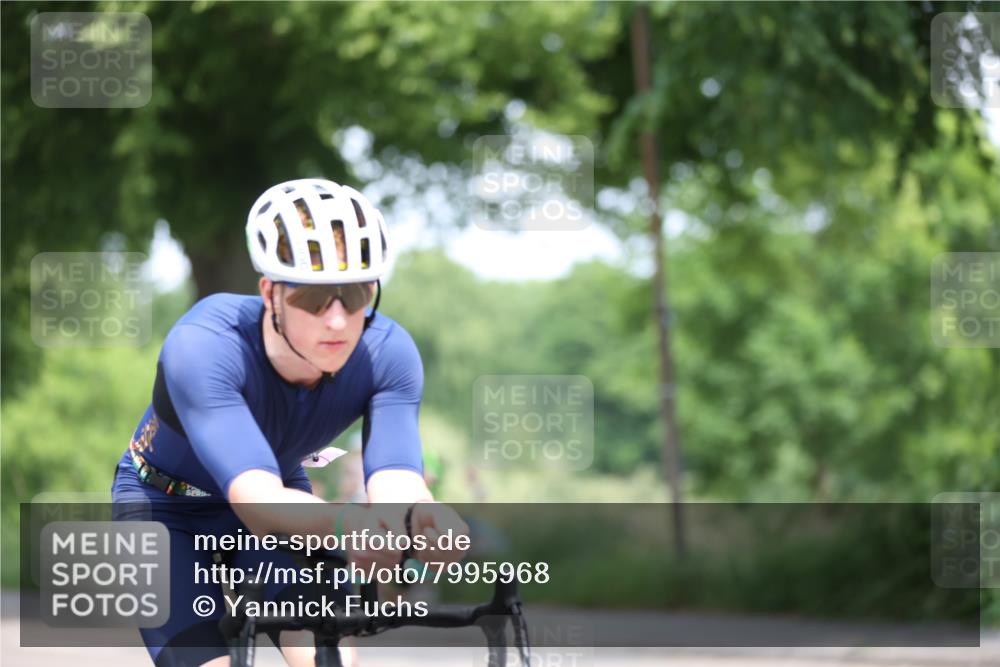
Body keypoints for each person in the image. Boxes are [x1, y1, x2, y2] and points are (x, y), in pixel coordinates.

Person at [111, 178, 468, 667]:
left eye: (356, 293)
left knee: (328, 655)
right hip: (165, 505)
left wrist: (421, 517)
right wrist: (347, 525)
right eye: (314, 298)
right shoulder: (204, 344)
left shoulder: (388, 354)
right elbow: (255, 500)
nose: (338, 320)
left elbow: (396, 477)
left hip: (283, 495)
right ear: (270, 292)